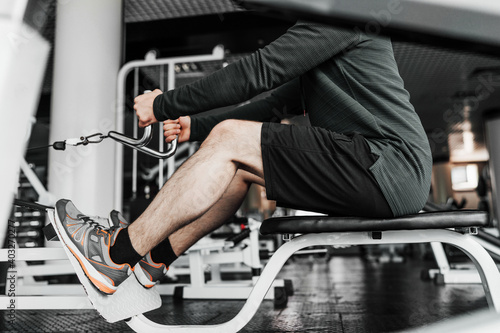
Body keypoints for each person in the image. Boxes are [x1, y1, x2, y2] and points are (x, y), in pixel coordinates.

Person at [54, 19, 432, 295]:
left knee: (231, 139)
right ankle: (156, 257)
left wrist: (163, 105)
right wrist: (194, 125)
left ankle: (114, 253)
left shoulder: (341, 12)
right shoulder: (329, 40)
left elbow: (259, 71)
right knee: (236, 167)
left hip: (385, 164)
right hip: (381, 168)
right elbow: (273, 104)